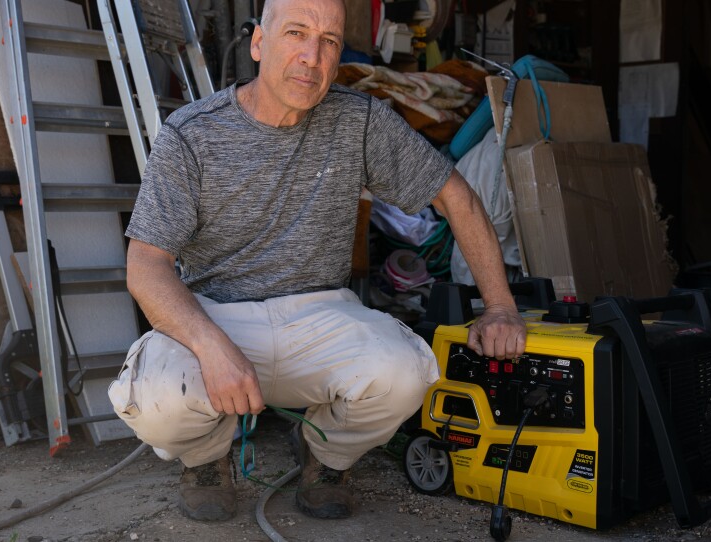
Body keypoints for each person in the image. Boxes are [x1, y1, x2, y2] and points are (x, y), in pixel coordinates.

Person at [108, 0, 527, 523]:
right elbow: (146, 263)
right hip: (217, 314)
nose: (312, 56)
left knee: (405, 371)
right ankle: (206, 458)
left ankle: (327, 457)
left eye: (329, 41)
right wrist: (210, 345)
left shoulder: (360, 118)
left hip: (322, 313)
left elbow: (456, 198)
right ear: (259, 43)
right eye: (296, 33)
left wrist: (501, 307)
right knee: (154, 395)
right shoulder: (191, 134)